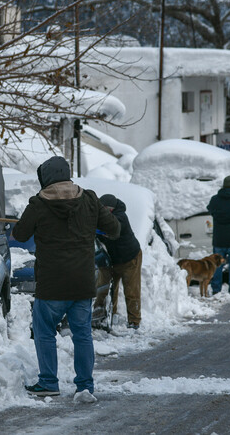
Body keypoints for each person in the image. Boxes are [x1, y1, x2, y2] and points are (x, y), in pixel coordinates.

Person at [12, 156, 120, 402]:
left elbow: (19, 234)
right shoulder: (90, 199)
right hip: (82, 282)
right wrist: (93, 222)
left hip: (52, 284)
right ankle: (85, 386)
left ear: (46, 178)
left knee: (44, 332)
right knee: (82, 334)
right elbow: (114, 229)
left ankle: (49, 382)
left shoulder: (39, 204)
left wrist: (33, 220)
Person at [93, 194, 142, 330]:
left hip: (130, 258)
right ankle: (108, 316)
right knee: (108, 289)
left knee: (131, 291)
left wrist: (95, 229)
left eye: (104, 210)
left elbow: (111, 229)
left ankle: (134, 322)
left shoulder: (120, 217)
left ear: (110, 209)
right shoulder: (103, 216)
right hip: (112, 259)